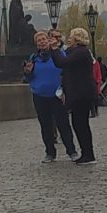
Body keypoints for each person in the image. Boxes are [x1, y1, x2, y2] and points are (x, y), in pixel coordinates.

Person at [27, 31, 78, 161]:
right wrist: (27, 72)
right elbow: (29, 77)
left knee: (63, 123)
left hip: (57, 95)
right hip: (40, 95)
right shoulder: (33, 58)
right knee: (45, 125)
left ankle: (71, 151)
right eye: (39, 40)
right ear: (36, 44)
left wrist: (66, 90)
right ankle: (50, 152)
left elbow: (66, 72)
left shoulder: (58, 54)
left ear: (49, 41)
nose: (42, 42)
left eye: (44, 39)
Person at [58, 27, 101, 163]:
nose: (68, 38)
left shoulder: (81, 52)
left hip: (82, 93)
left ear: (76, 38)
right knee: (79, 124)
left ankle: (88, 153)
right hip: (79, 93)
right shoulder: (77, 52)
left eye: (71, 36)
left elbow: (62, 62)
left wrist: (54, 50)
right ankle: (86, 152)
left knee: (81, 124)